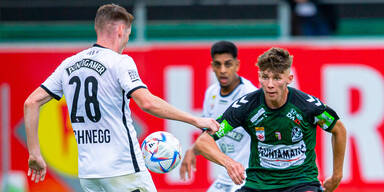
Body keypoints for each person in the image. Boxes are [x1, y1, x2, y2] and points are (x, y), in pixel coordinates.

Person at [23, 4, 219, 192]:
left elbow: (31, 102)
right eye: (128, 34)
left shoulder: (69, 65)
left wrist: (34, 154)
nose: (126, 40)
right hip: (122, 171)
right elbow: (147, 102)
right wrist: (195, 120)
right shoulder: (119, 62)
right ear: (120, 30)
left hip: (89, 175)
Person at [193, 47, 346, 192]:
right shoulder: (246, 107)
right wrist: (228, 163)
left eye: (277, 78)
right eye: (265, 77)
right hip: (259, 185)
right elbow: (203, 141)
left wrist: (337, 176)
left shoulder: (308, 106)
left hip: (300, 182)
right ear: (259, 76)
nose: (270, 85)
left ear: (289, 78)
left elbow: (338, 129)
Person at [179, 41, 257, 192]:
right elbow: (206, 136)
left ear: (237, 65)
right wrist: (192, 150)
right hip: (228, 173)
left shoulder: (249, 96)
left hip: (249, 175)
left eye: (228, 64)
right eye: (218, 64)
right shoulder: (211, 93)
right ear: (212, 66)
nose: (222, 70)